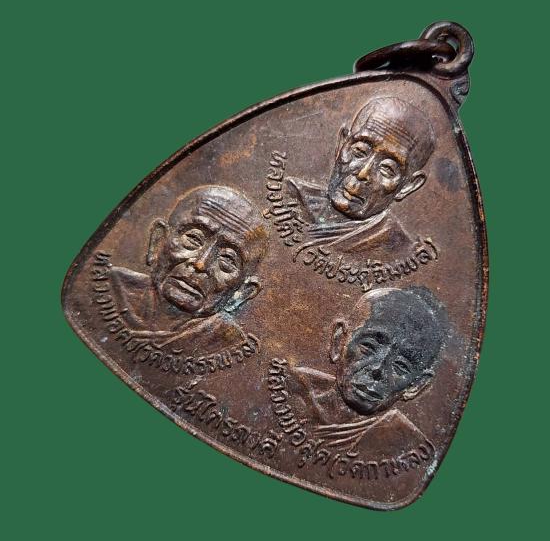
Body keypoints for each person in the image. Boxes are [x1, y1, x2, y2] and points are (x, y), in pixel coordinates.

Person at [108, 185, 268, 353]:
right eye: (193, 239)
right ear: (158, 241)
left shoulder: (229, 346)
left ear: (242, 292)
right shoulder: (111, 288)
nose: (201, 264)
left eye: (227, 259)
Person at [291, 287, 445, 455]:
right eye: (369, 347)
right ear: (339, 341)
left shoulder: (406, 446)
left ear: (417, 385)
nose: (378, 370)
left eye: (401, 365)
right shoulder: (290, 387)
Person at [287, 97, 435, 261]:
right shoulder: (291, 196)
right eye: (360, 151)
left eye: (387, 168)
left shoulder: (401, 253)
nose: (363, 173)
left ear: (408, 186)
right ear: (342, 143)